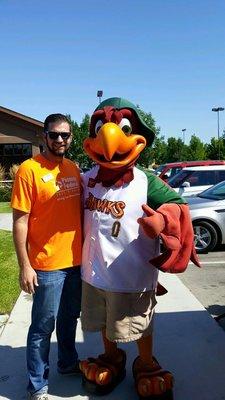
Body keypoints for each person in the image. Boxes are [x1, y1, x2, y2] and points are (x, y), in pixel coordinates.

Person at [79, 97, 200, 399]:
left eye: (122, 127)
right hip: (94, 272)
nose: (109, 139)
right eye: (100, 129)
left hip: (132, 273)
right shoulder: (88, 178)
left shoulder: (145, 180)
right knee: (105, 321)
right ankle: (112, 358)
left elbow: (178, 205)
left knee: (139, 323)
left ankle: (146, 363)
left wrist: (162, 219)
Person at [11, 113, 82, 400]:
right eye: (54, 135)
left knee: (69, 320)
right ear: (44, 137)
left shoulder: (73, 169)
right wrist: (25, 266)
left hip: (74, 262)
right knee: (42, 327)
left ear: (71, 138)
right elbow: (20, 221)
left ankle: (67, 363)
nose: (59, 140)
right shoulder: (29, 170)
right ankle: (37, 384)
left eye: (65, 135)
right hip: (46, 266)